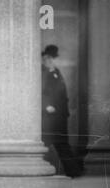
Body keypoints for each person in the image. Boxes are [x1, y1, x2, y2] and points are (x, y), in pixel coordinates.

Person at [41, 45, 81, 177]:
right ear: (46, 58)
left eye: (52, 58)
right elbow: (38, 92)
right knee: (45, 145)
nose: (50, 60)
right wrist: (46, 105)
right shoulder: (42, 73)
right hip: (48, 118)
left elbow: (62, 94)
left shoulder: (56, 72)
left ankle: (73, 172)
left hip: (59, 117)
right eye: (48, 58)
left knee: (62, 145)